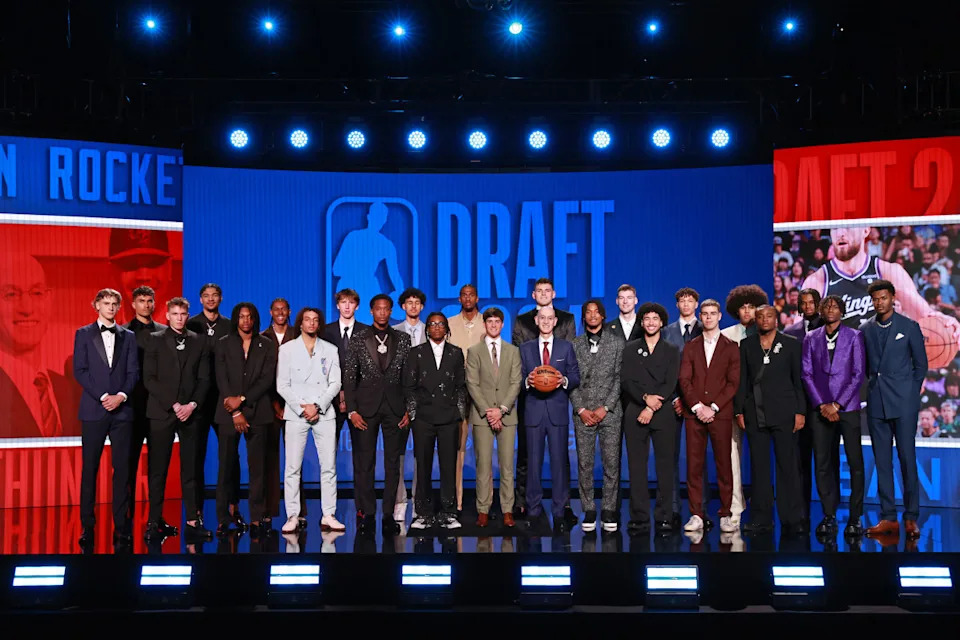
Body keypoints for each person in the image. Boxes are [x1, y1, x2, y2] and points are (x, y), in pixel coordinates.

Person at [802, 226, 960, 341]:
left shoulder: (888, 272)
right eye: (835, 228)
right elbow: (799, 334)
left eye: (848, 227)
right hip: (839, 373)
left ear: (866, 230)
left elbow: (924, 314)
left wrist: (944, 324)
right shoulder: (817, 281)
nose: (841, 233)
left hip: (878, 372)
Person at [72, 288, 138, 548]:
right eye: (106, 303)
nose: (111, 307)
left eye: (114, 304)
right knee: (90, 469)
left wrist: (120, 396)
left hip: (122, 411)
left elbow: (134, 372)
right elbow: (80, 370)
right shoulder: (83, 334)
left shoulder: (129, 337)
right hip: (94, 409)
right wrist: (103, 396)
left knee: (122, 470)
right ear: (96, 305)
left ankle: (121, 525)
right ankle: (88, 526)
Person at [342, 294, 412, 536]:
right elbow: (349, 377)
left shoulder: (403, 339)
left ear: (391, 311)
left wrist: (408, 409)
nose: (382, 313)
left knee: (393, 464)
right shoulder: (359, 339)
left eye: (386, 309)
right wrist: (351, 409)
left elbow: (408, 377)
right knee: (364, 463)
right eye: (378, 309)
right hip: (365, 409)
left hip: (395, 408)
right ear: (371, 311)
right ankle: (367, 513)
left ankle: (388, 514)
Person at [861, 280, 927, 540]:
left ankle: (911, 517)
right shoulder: (866, 329)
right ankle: (888, 517)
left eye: (883, 298)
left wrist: (911, 394)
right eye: (875, 299)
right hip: (877, 403)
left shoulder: (909, 326)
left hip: (904, 404)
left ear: (892, 298)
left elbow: (920, 366)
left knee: (907, 460)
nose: (879, 302)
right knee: (882, 463)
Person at [142, 297, 211, 542]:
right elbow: (149, 378)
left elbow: (205, 379)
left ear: (187, 315)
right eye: (175, 313)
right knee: (158, 470)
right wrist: (174, 404)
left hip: (191, 413)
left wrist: (191, 405)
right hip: (162, 412)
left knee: (191, 469)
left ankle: (193, 520)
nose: (180, 318)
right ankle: (154, 521)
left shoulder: (199, 342)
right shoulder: (154, 340)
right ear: (168, 316)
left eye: (183, 314)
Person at [734, 305, 806, 536]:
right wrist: (739, 411)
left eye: (769, 316)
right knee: (759, 468)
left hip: (785, 413)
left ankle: (792, 519)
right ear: (755, 320)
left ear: (776, 319)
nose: (764, 320)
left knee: (788, 467)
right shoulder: (747, 345)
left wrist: (800, 412)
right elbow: (742, 381)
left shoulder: (792, 345)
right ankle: (761, 519)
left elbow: (799, 382)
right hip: (755, 413)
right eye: (760, 317)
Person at [801, 294, 867, 538]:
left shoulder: (855, 336)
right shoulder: (810, 338)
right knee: (823, 464)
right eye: (826, 306)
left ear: (842, 311)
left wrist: (837, 404)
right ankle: (829, 516)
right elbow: (806, 374)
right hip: (820, 410)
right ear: (820, 310)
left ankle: (855, 517)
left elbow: (858, 373)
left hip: (846, 408)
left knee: (855, 463)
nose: (830, 310)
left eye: (835, 307)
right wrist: (821, 404)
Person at [513, 277, 577, 526]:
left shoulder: (565, 347)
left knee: (560, 463)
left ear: (556, 321)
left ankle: (560, 510)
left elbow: (575, 375)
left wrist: (562, 381)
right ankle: (533, 508)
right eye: (543, 319)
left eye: (551, 319)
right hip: (533, 410)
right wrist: (528, 382)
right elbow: (516, 378)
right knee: (533, 464)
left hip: (558, 411)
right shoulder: (526, 348)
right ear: (536, 320)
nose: (546, 322)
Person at [277, 307, 345, 534]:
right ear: (300, 323)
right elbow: (282, 385)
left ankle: (329, 514)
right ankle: (293, 515)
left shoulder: (331, 349)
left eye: (316, 320)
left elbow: (335, 383)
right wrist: (302, 407)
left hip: (324, 413)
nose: (312, 323)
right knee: (292, 468)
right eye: (307, 320)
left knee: (329, 467)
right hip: (296, 414)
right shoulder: (287, 349)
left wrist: (317, 406)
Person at [214, 303, 278, 537]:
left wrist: (241, 400)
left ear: (255, 319)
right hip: (227, 412)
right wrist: (234, 411)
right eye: (241, 317)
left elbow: (266, 379)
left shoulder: (267, 345)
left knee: (258, 468)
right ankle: (223, 517)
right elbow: (221, 379)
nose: (246, 320)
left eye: (250, 317)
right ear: (235, 319)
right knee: (226, 467)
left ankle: (257, 517)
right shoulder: (223, 343)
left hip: (258, 411)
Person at [0, 252, 79, 438]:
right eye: (11, 294)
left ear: (49, 299)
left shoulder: (69, 389)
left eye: (37, 293)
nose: (27, 308)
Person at [678, 298, 740, 534]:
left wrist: (713, 407)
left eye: (713, 313)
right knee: (694, 466)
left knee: (724, 465)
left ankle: (725, 513)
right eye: (704, 314)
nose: (708, 317)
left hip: (720, 414)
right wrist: (697, 407)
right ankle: (696, 514)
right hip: (694, 415)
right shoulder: (691, 346)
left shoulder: (731, 346)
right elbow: (684, 379)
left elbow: (733, 382)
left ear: (720, 316)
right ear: (700, 317)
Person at [404, 312, 468, 530]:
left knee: (449, 466)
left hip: (449, 419)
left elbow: (461, 386)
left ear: (447, 328)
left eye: (441, 324)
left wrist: (459, 413)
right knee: (423, 465)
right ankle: (423, 513)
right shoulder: (416, 353)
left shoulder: (456, 353)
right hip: (423, 418)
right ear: (427, 329)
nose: (437, 327)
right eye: (433, 324)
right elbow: (409, 387)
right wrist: (413, 415)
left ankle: (449, 512)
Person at [620, 302, 679, 533]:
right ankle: (639, 518)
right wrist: (645, 399)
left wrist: (653, 406)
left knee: (665, 467)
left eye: (655, 318)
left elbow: (671, 381)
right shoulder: (631, 348)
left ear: (662, 322)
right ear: (641, 322)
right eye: (647, 319)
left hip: (663, 412)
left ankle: (664, 516)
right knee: (636, 468)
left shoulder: (672, 350)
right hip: (636, 410)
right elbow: (626, 380)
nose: (651, 322)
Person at [186, 283, 239, 529]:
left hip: (224, 400)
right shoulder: (190, 324)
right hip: (197, 401)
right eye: (206, 296)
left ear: (220, 298)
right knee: (195, 456)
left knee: (230, 457)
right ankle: (196, 511)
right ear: (200, 299)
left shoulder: (230, 325)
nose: (210, 299)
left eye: (214, 295)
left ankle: (232, 507)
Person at [465, 307, 522, 528]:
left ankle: (507, 509)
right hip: (483, 416)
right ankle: (483, 509)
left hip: (507, 416)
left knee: (507, 465)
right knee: (483, 465)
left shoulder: (512, 351)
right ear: (485, 325)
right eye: (490, 322)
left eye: (497, 321)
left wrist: (502, 409)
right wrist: (489, 411)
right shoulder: (474, 351)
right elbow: (472, 383)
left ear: (502, 324)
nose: (494, 325)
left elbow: (516, 382)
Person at [570, 300, 623, 532]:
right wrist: (581, 409)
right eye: (588, 313)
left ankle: (609, 509)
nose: (592, 316)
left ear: (603, 316)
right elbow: (569, 379)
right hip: (583, 413)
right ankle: (589, 509)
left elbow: (621, 379)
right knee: (585, 463)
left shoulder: (617, 343)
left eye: (596, 312)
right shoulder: (574, 345)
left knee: (612, 463)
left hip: (610, 413)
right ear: (583, 318)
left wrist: (606, 407)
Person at [720, 284, 768, 528]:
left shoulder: (766, 333)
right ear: (736, 310)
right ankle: (736, 506)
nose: (747, 312)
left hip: (761, 404)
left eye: (752, 307)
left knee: (761, 458)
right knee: (731, 455)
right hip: (732, 402)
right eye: (743, 307)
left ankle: (763, 506)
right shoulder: (727, 335)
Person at [662, 287, 704, 528]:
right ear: (677, 305)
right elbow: (666, 369)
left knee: (699, 460)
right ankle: (674, 509)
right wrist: (676, 398)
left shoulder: (707, 329)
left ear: (696, 304)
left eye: (690, 301)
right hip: (674, 403)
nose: (686, 304)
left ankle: (701, 512)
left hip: (701, 405)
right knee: (671, 458)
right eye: (682, 301)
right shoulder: (667, 332)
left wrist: (697, 402)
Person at [124, 285, 167, 510]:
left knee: (157, 464)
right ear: (133, 304)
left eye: (150, 301)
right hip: (132, 407)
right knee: (128, 462)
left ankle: (155, 515)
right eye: (141, 301)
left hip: (159, 406)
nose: (146, 305)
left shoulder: (164, 331)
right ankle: (126, 514)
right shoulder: (123, 332)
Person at [447, 283, 488, 512]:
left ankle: (486, 503)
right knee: (458, 450)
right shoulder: (451, 324)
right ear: (459, 298)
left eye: (472, 294)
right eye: (464, 295)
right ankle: (457, 502)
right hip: (458, 392)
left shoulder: (488, 322)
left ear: (477, 297)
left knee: (484, 450)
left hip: (482, 391)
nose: (468, 298)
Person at [261, 298, 300, 527]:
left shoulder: (298, 334)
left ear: (289, 311)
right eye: (276, 309)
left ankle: (298, 510)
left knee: (296, 460)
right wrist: (275, 405)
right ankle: (270, 508)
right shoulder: (262, 337)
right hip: (269, 405)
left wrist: (292, 403)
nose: (280, 313)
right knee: (270, 458)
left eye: (284, 309)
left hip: (295, 405)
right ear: (270, 312)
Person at [393, 287, 428, 522]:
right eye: (409, 302)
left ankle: (419, 501)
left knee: (422, 454)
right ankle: (399, 500)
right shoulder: (394, 332)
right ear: (403, 306)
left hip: (425, 403)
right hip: (399, 402)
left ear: (422, 307)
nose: (413, 306)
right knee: (397, 454)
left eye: (417, 302)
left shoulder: (433, 330)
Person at [109, 229, 175, 324]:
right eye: (131, 264)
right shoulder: (101, 337)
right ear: (113, 272)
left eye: (154, 262)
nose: (143, 276)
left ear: (169, 268)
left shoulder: (196, 335)